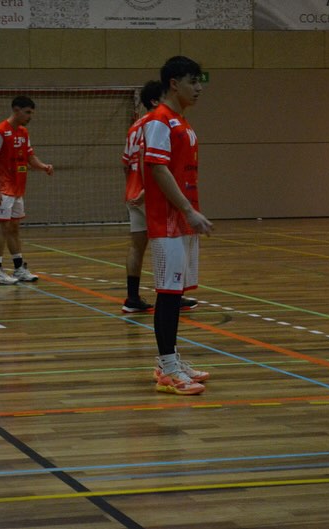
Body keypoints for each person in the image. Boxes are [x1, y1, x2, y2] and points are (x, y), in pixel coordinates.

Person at [142, 56, 213, 396]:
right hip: (167, 222)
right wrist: (187, 210)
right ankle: (168, 371)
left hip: (182, 221)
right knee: (168, 296)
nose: (199, 88)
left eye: (200, 81)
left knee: (176, 294)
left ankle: (168, 360)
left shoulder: (181, 121)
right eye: (192, 81)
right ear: (174, 83)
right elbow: (158, 169)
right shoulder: (159, 121)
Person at [121, 81, 199, 315]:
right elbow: (151, 161)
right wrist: (146, 190)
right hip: (151, 194)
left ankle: (132, 298)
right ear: (156, 100)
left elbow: (125, 162)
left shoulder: (134, 126)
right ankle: (172, 295)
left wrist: (133, 188)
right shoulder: (157, 121)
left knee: (137, 246)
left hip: (133, 192)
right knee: (171, 241)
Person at [0, 96, 54, 285]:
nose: (30, 116)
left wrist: (43, 166)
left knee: (14, 227)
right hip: (2, 188)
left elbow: (30, 157)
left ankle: (18, 268)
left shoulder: (23, 132)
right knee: (2, 227)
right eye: (27, 112)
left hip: (17, 188)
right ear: (16, 110)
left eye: (31, 113)